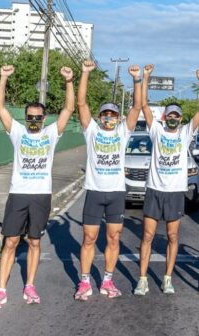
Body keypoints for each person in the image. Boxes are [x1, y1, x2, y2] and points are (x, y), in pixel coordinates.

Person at [0, 65, 75, 309]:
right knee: (11, 242)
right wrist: (3, 77)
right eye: (31, 117)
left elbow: (68, 109)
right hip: (18, 194)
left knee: (34, 241)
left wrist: (69, 81)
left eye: (38, 117)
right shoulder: (17, 131)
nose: (34, 120)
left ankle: (30, 285)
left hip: (41, 196)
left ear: (43, 119)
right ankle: (1, 290)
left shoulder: (50, 134)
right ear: (26, 117)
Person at [134, 64, 199, 295]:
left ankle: (167, 278)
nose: (173, 118)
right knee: (147, 236)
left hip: (175, 192)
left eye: (177, 115)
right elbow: (144, 106)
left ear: (180, 118)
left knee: (173, 236)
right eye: (170, 115)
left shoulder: (186, 133)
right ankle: (142, 279)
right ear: (165, 117)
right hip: (155, 190)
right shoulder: (156, 131)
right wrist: (145, 77)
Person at [74, 60, 142, 301]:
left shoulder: (123, 132)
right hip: (94, 192)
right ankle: (84, 282)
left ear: (117, 117)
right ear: (99, 116)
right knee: (89, 238)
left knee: (114, 238)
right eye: (105, 114)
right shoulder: (92, 130)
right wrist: (85, 73)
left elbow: (136, 107)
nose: (109, 118)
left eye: (113, 114)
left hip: (115, 193)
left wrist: (136, 79)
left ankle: (108, 280)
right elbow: (81, 103)